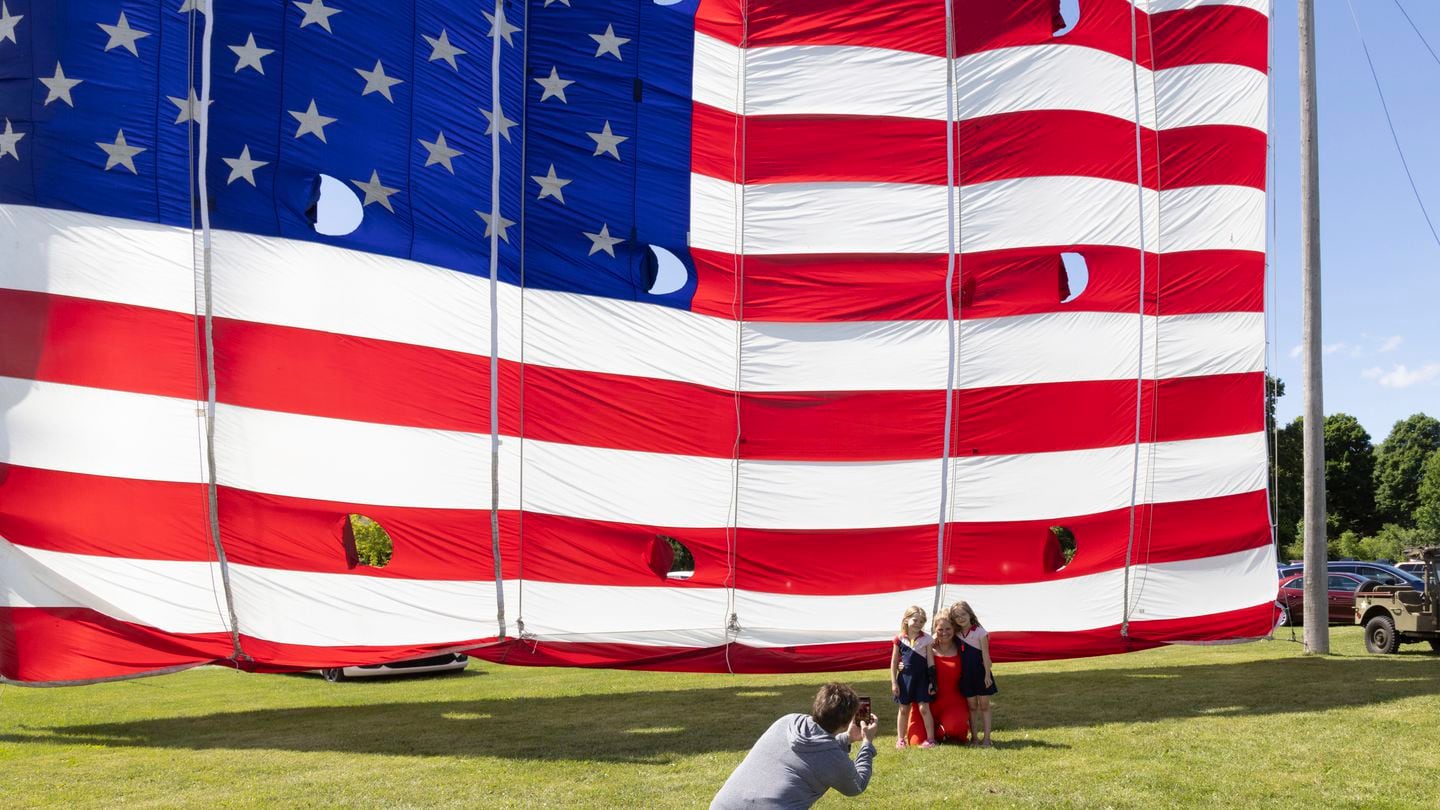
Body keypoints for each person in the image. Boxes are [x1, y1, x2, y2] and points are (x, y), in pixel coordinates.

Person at [711, 682, 878, 809]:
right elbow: (856, 785)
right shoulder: (834, 759)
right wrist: (867, 744)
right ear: (846, 722)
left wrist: (847, 738)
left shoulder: (788, 721)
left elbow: (814, 749)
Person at [949, 600, 997, 747]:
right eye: (957, 616)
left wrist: (987, 676)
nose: (961, 618)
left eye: (963, 614)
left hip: (981, 675)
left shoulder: (980, 633)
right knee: (972, 707)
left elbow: (986, 657)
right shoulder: (955, 634)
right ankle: (974, 738)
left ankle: (987, 738)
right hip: (965, 676)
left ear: (970, 614)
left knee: (984, 706)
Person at [890, 605, 937, 749]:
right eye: (915, 620)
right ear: (906, 620)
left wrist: (932, 681)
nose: (918, 624)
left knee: (924, 708)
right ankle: (900, 739)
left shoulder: (927, 639)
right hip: (904, 680)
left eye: (922, 621)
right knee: (903, 709)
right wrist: (894, 682)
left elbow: (930, 661)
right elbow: (893, 661)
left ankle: (931, 739)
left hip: (922, 679)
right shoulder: (899, 639)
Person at [922, 614, 970, 743]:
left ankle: (941, 731)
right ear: (935, 630)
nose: (944, 633)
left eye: (948, 629)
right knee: (916, 741)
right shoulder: (925, 647)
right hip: (926, 703)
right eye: (940, 629)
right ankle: (937, 732)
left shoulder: (963, 648)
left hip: (953, 702)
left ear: (954, 629)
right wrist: (901, 666)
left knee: (955, 729)